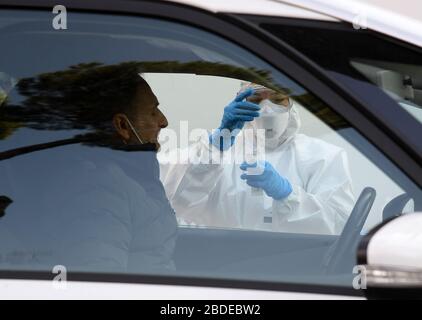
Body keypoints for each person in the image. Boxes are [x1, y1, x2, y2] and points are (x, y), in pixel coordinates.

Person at [0, 63, 178, 273]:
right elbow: (96, 285)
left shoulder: (124, 177)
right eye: (152, 111)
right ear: (122, 125)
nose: (163, 121)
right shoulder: (98, 188)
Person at [160, 83, 355, 235]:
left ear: (292, 104)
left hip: (296, 273)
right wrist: (216, 146)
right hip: (223, 269)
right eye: (256, 100)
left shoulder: (324, 156)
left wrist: (287, 194)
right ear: (242, 101)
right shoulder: (217, 150)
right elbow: (179, 202)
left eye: (278, 100)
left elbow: (338, 227)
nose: (268, 110)